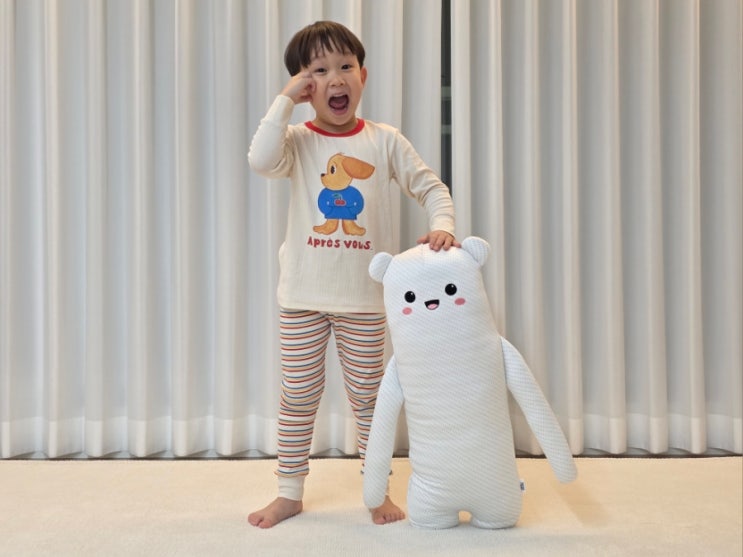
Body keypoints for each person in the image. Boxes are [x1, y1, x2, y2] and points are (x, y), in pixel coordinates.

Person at [247, 20, 458, 529]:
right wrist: (284, 101)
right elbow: (259, 160)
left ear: (362, 76)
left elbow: (430, 187)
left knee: (369, 400)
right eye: (319, 71)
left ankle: (375, 491)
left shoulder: (385, 141)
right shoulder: (296, 140)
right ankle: (289, 492)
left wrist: (443, 226)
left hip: (365, 299)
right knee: (298, 396)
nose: (335, 78)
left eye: (345, 66)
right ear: (305, 86)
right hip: (303, 297)